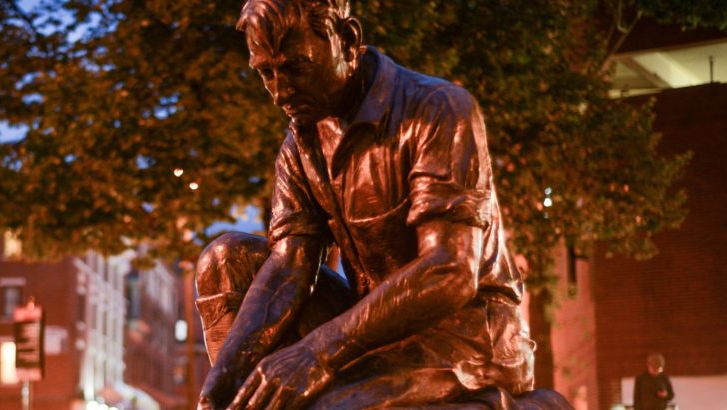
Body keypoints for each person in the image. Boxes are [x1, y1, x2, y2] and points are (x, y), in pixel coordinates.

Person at [194, 0, 558, 408]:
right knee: (224, 260)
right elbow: (288, 266)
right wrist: (222, 381)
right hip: (375, 333)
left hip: (467, 341)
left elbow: (451, 271)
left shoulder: (439, 108)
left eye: (296, 67)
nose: (279, 92)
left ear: (347, 39)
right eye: (265, 73)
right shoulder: (302, 142)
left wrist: (316, 353)